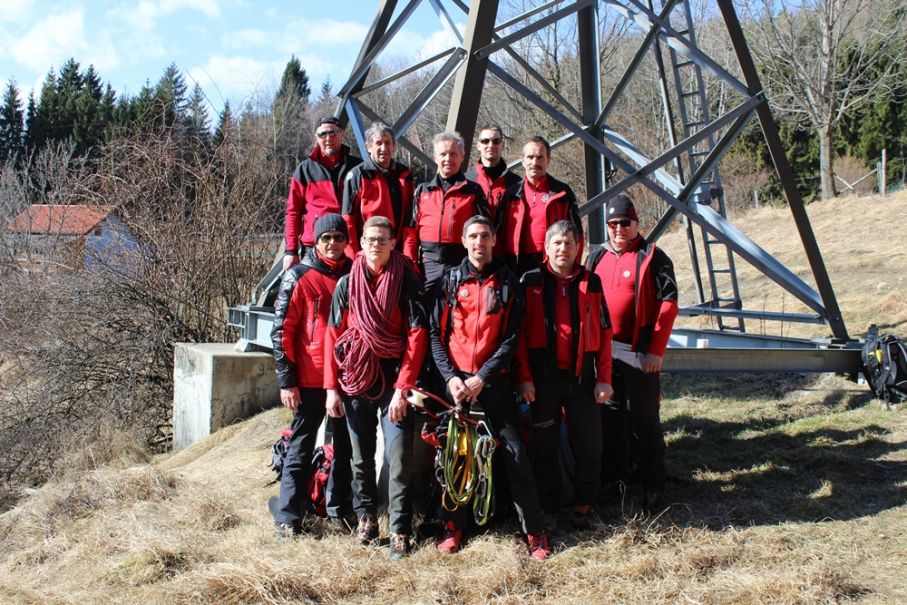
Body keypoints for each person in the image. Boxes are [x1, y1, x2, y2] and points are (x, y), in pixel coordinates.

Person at [428, 214, 552, 560]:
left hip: (493, 383)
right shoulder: (449, 281)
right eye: (473, 236)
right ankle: (453, 527)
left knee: (515, 455)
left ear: (495, 240)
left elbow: (512, 339)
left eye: (485, 236)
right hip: (457, 386)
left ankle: (535, 532)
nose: (479, 242)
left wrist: (482, 377)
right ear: (464, 241)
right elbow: (436, 338)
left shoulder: (509, 284)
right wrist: (452, 378)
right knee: (456, 457)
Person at [324, 216, 428, 559]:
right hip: (355, 376)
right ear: (362, 242)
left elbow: (416, 335)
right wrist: (331, 389)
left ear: (393, 243)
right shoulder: (346, 284)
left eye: (382, 240)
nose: (375, 245)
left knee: (398, 457)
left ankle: (399, 528)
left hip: (394, 378)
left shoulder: (406, 281)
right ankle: (367, 518)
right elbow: (332, 334)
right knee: (359, 457)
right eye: (370, 239)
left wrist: (403, 387)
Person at [517, 220, 614, 531]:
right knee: (544, 448)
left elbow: (605, 333)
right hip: (542, 380)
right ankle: (549, 510)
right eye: (557, 243)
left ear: (578, 247)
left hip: (582, 379)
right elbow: (517, 336)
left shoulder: (592, 282)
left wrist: (604, 378)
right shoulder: (530, 281)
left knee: (590, 446)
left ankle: (584, 507)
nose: (563, 249)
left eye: (569, 243)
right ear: (546, 248)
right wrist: (525, 377)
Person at [585, 194, 678, 513]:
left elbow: (669, 304)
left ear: (636, 223)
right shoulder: (596, 257)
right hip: (607, 355)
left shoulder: (654, 256)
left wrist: (656, 350)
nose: (618, 229)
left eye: (624, 223)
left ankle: (655, 486)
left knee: (645, 421)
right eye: (612, 224)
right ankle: (615, 482)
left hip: (640, 356)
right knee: (608, 421)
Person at [270, 213, 356, 537]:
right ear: (316, 242)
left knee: (344, 448)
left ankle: (339, 509)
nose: (332, 244)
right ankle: (287, 517)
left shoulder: (353, 274)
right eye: (326, 239)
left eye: (338, 238)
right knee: (301, 448)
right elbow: (281, 332)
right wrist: (286, 381)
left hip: (346, 377)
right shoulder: (298, 276)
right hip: (309, 378)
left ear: (347, 241)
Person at [403, 131, 489, 294]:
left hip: (461, 263)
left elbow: (485, 231)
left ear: (462, 156)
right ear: (436, 157)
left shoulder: (473, 191)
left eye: (453, 154)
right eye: (443, 154)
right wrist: (410, 263)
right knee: (427, 312)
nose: (448, 159)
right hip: (428, 265)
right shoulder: (422, 191)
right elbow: (410, 232)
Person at [496, 136, 583, 277]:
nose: (534, 162)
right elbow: (499, 235)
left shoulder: (562, 193)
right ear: (523, 160)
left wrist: (574, 270)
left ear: (548, 160)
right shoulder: (511, 194)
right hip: (516, 265)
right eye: (530, 157)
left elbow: (578, 235)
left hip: (552, 265)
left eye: (540, 157)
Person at [283, 116, 362, 271]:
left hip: (351, 244)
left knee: (350, 293)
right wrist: (290, 251)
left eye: (333, 133)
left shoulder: (357, 167)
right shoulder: (304, 170)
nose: (328, 138)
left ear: (342, 135)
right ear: (316, 138)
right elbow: (293, 212)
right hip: (314, 247)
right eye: (322, 134)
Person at [341, 122, 414, 258]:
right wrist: (353, 258)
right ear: (368, 147)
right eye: (378, 143)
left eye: (387, 143)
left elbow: (409, 221)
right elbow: (348, 221)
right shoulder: (358, 175)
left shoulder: (405, 175)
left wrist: (409, 258)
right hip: (368, 253)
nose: (383, 148)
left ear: (394, 147)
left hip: (397, 252)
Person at [465, 124, 521, 221]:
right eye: (485, 141)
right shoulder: (465, 181)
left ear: (502, 145)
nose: (491, 145)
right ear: (478, 145)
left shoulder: (517, 183)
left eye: (496, 141)